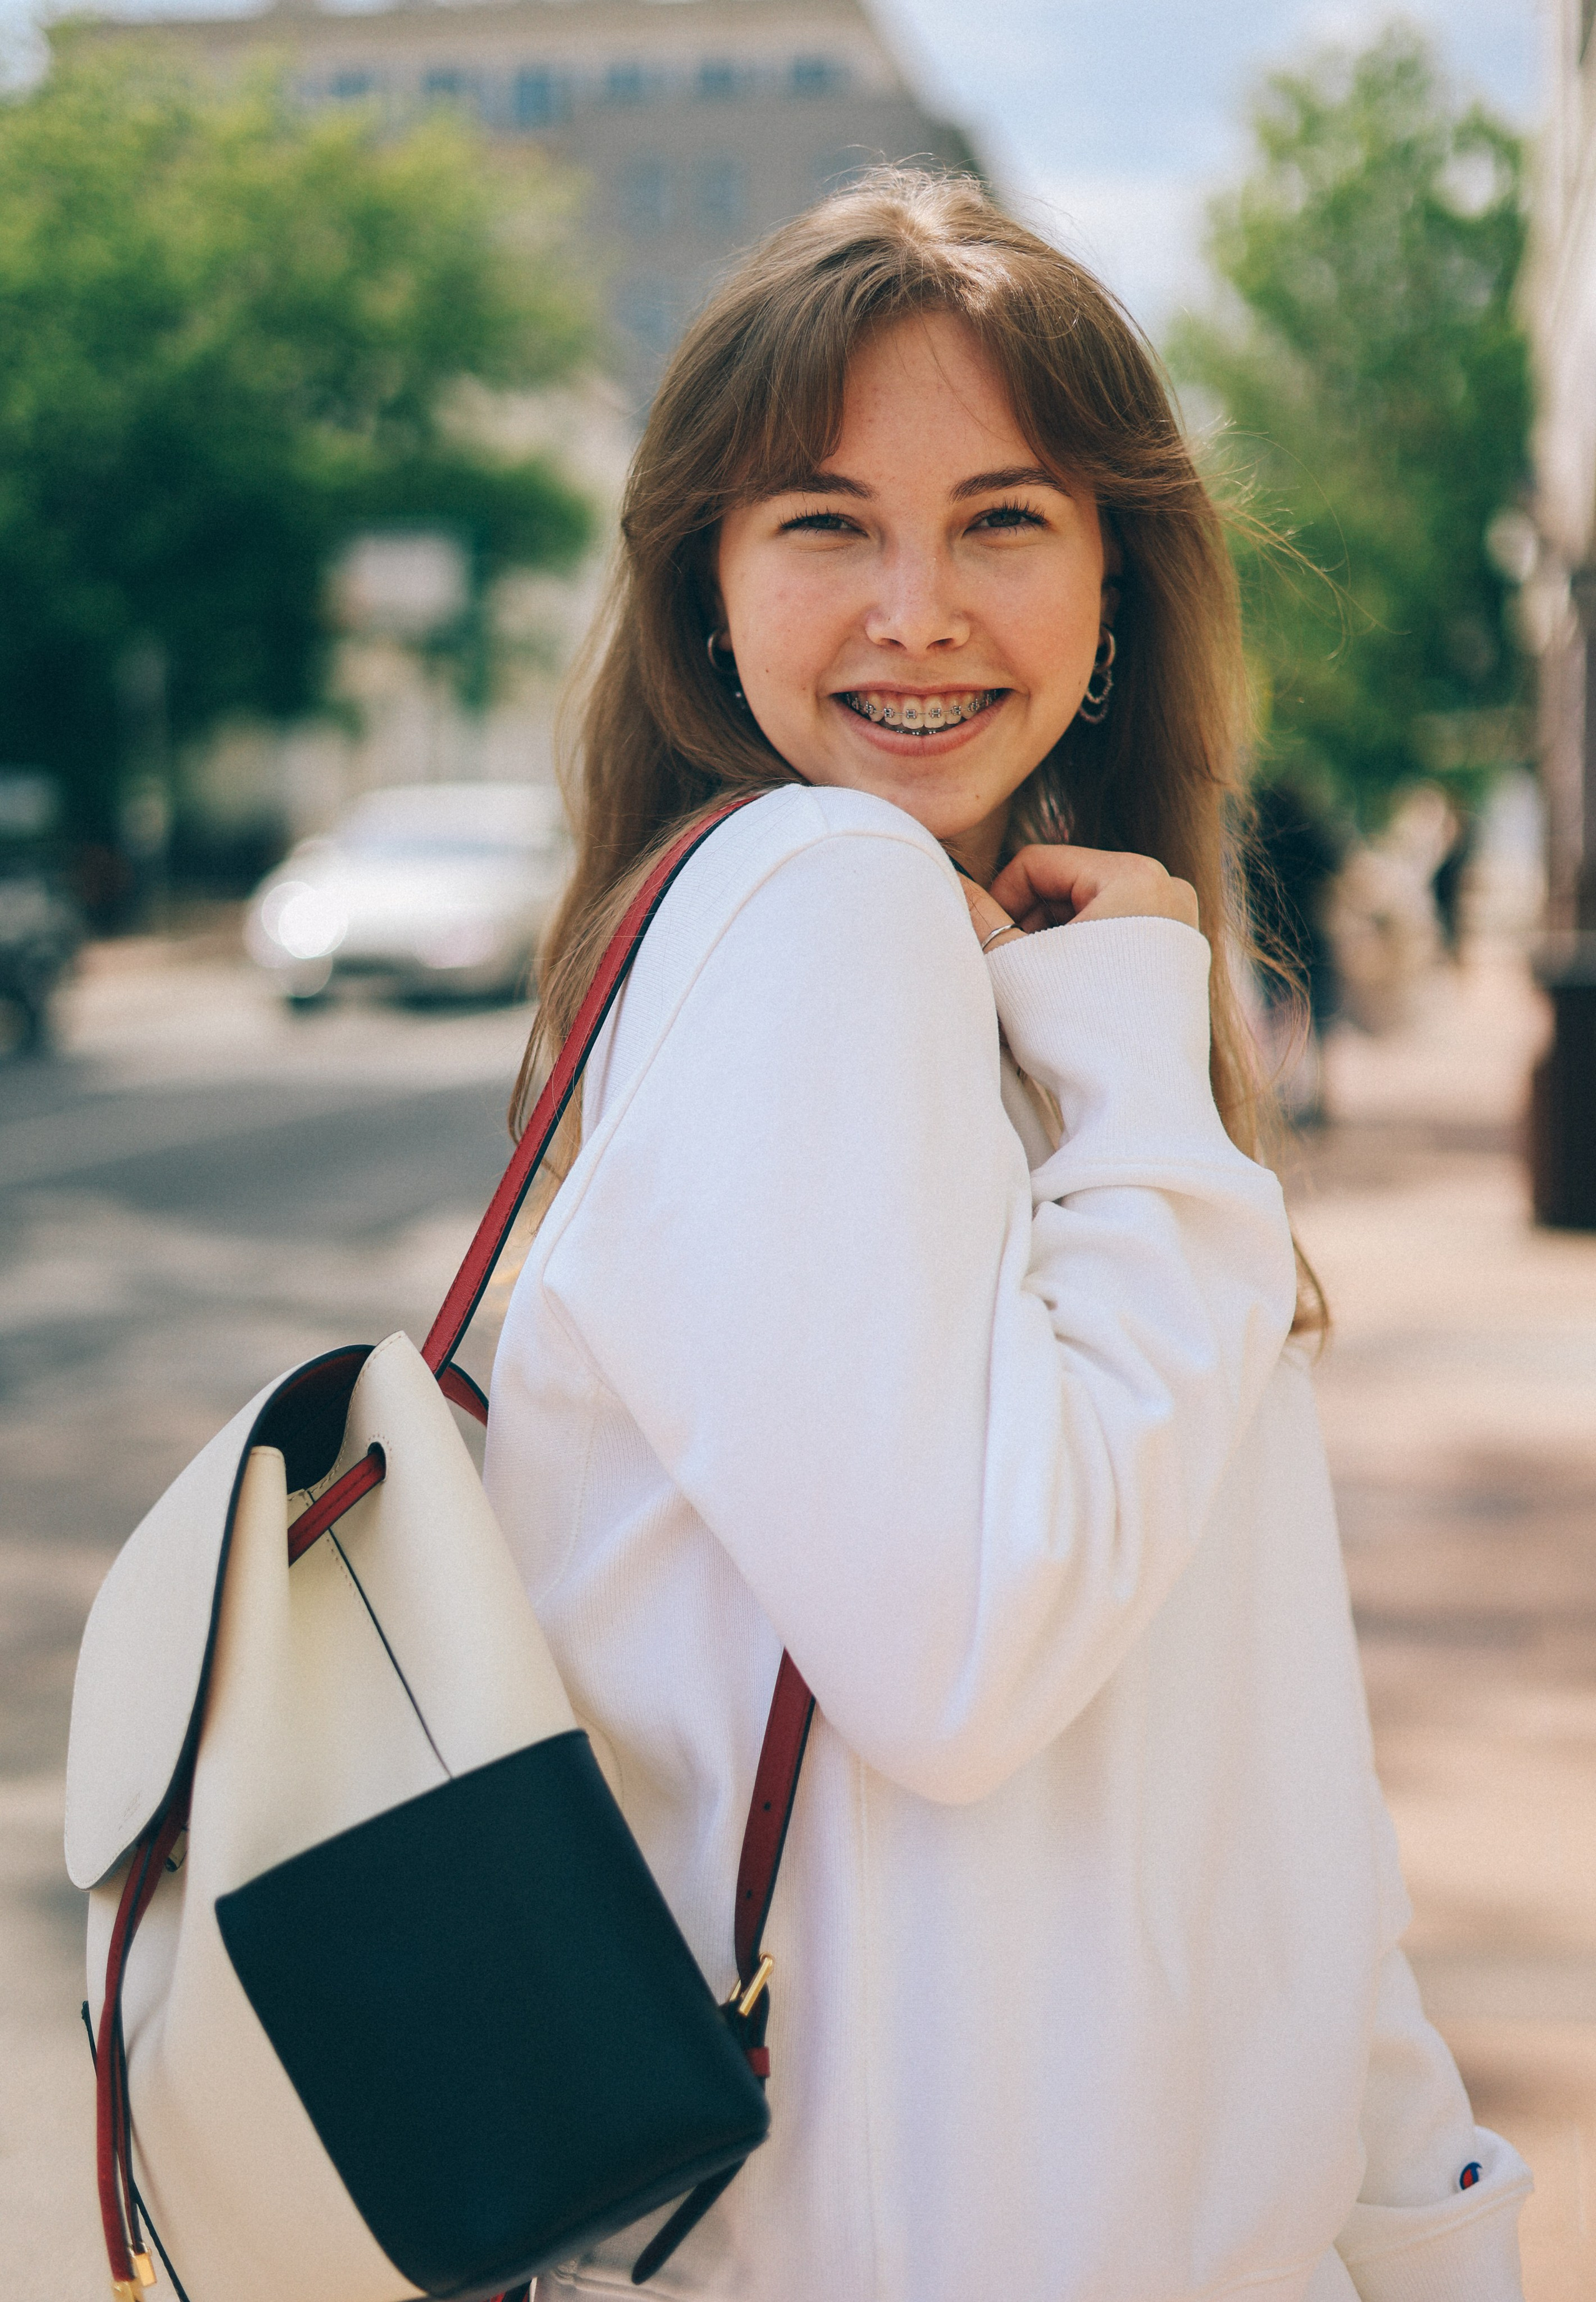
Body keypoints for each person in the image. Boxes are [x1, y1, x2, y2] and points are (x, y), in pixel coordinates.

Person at [483, 170, 1529, 2302]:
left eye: (1003, 520)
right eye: (824, 523)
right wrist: (1151, 1063)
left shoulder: (1019, 998)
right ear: (708, 586)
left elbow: (1266, 1757)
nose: (916, 606)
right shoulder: (812, 907)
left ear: (1115, 578)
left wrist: (1419, 2223)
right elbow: (968, 1664)